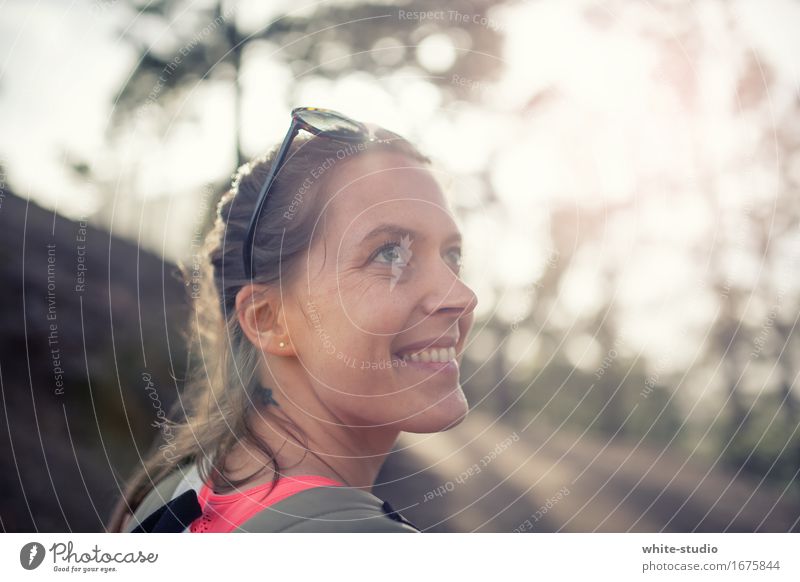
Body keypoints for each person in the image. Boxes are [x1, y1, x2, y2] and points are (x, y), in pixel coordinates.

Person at [106, 107, 478, 533]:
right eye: (389, 254)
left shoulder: (175, 494)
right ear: (268, 320)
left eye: (452, 256)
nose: (463, 297)